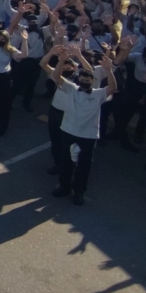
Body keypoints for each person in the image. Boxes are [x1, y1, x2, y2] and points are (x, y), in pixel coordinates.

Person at [50, 48, 116, 205]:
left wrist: (108, 70)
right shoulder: (71, 88)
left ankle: (79, 192)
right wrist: (61, 60)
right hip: (68, 130)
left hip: (88, 135)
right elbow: (56, 76)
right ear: (78, 79)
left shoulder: (98, 94)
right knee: (65, 161)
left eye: (88, 80)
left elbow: (112, 87)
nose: (85, 82)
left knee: (83, 166)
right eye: (83, 79)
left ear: (92, 82)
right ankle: (64, 187)